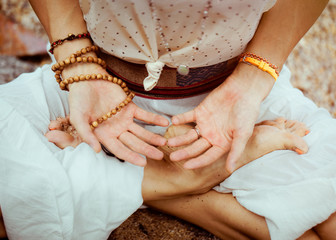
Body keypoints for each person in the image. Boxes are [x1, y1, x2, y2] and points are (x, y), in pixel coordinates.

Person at [0, 0, 335, 239]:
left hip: (234, 101)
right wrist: (80, 68)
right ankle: (176, 180)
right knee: (14, 201)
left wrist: (251, 82)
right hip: (89, 97)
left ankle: (126, 176)